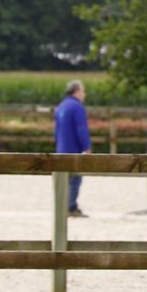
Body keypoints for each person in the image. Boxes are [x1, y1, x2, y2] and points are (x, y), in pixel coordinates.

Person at [54, 80, 92, 218]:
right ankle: (71, 207)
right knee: (75, 179)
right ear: (76, 91)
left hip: (61, 148)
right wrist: (86, 147)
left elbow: (56, 131)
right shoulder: (77, 107)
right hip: (73, 149)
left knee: (63, 180)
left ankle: (62, 205)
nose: (84, 94)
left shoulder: (60, 106)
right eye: (83, 91)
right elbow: (81, 128)